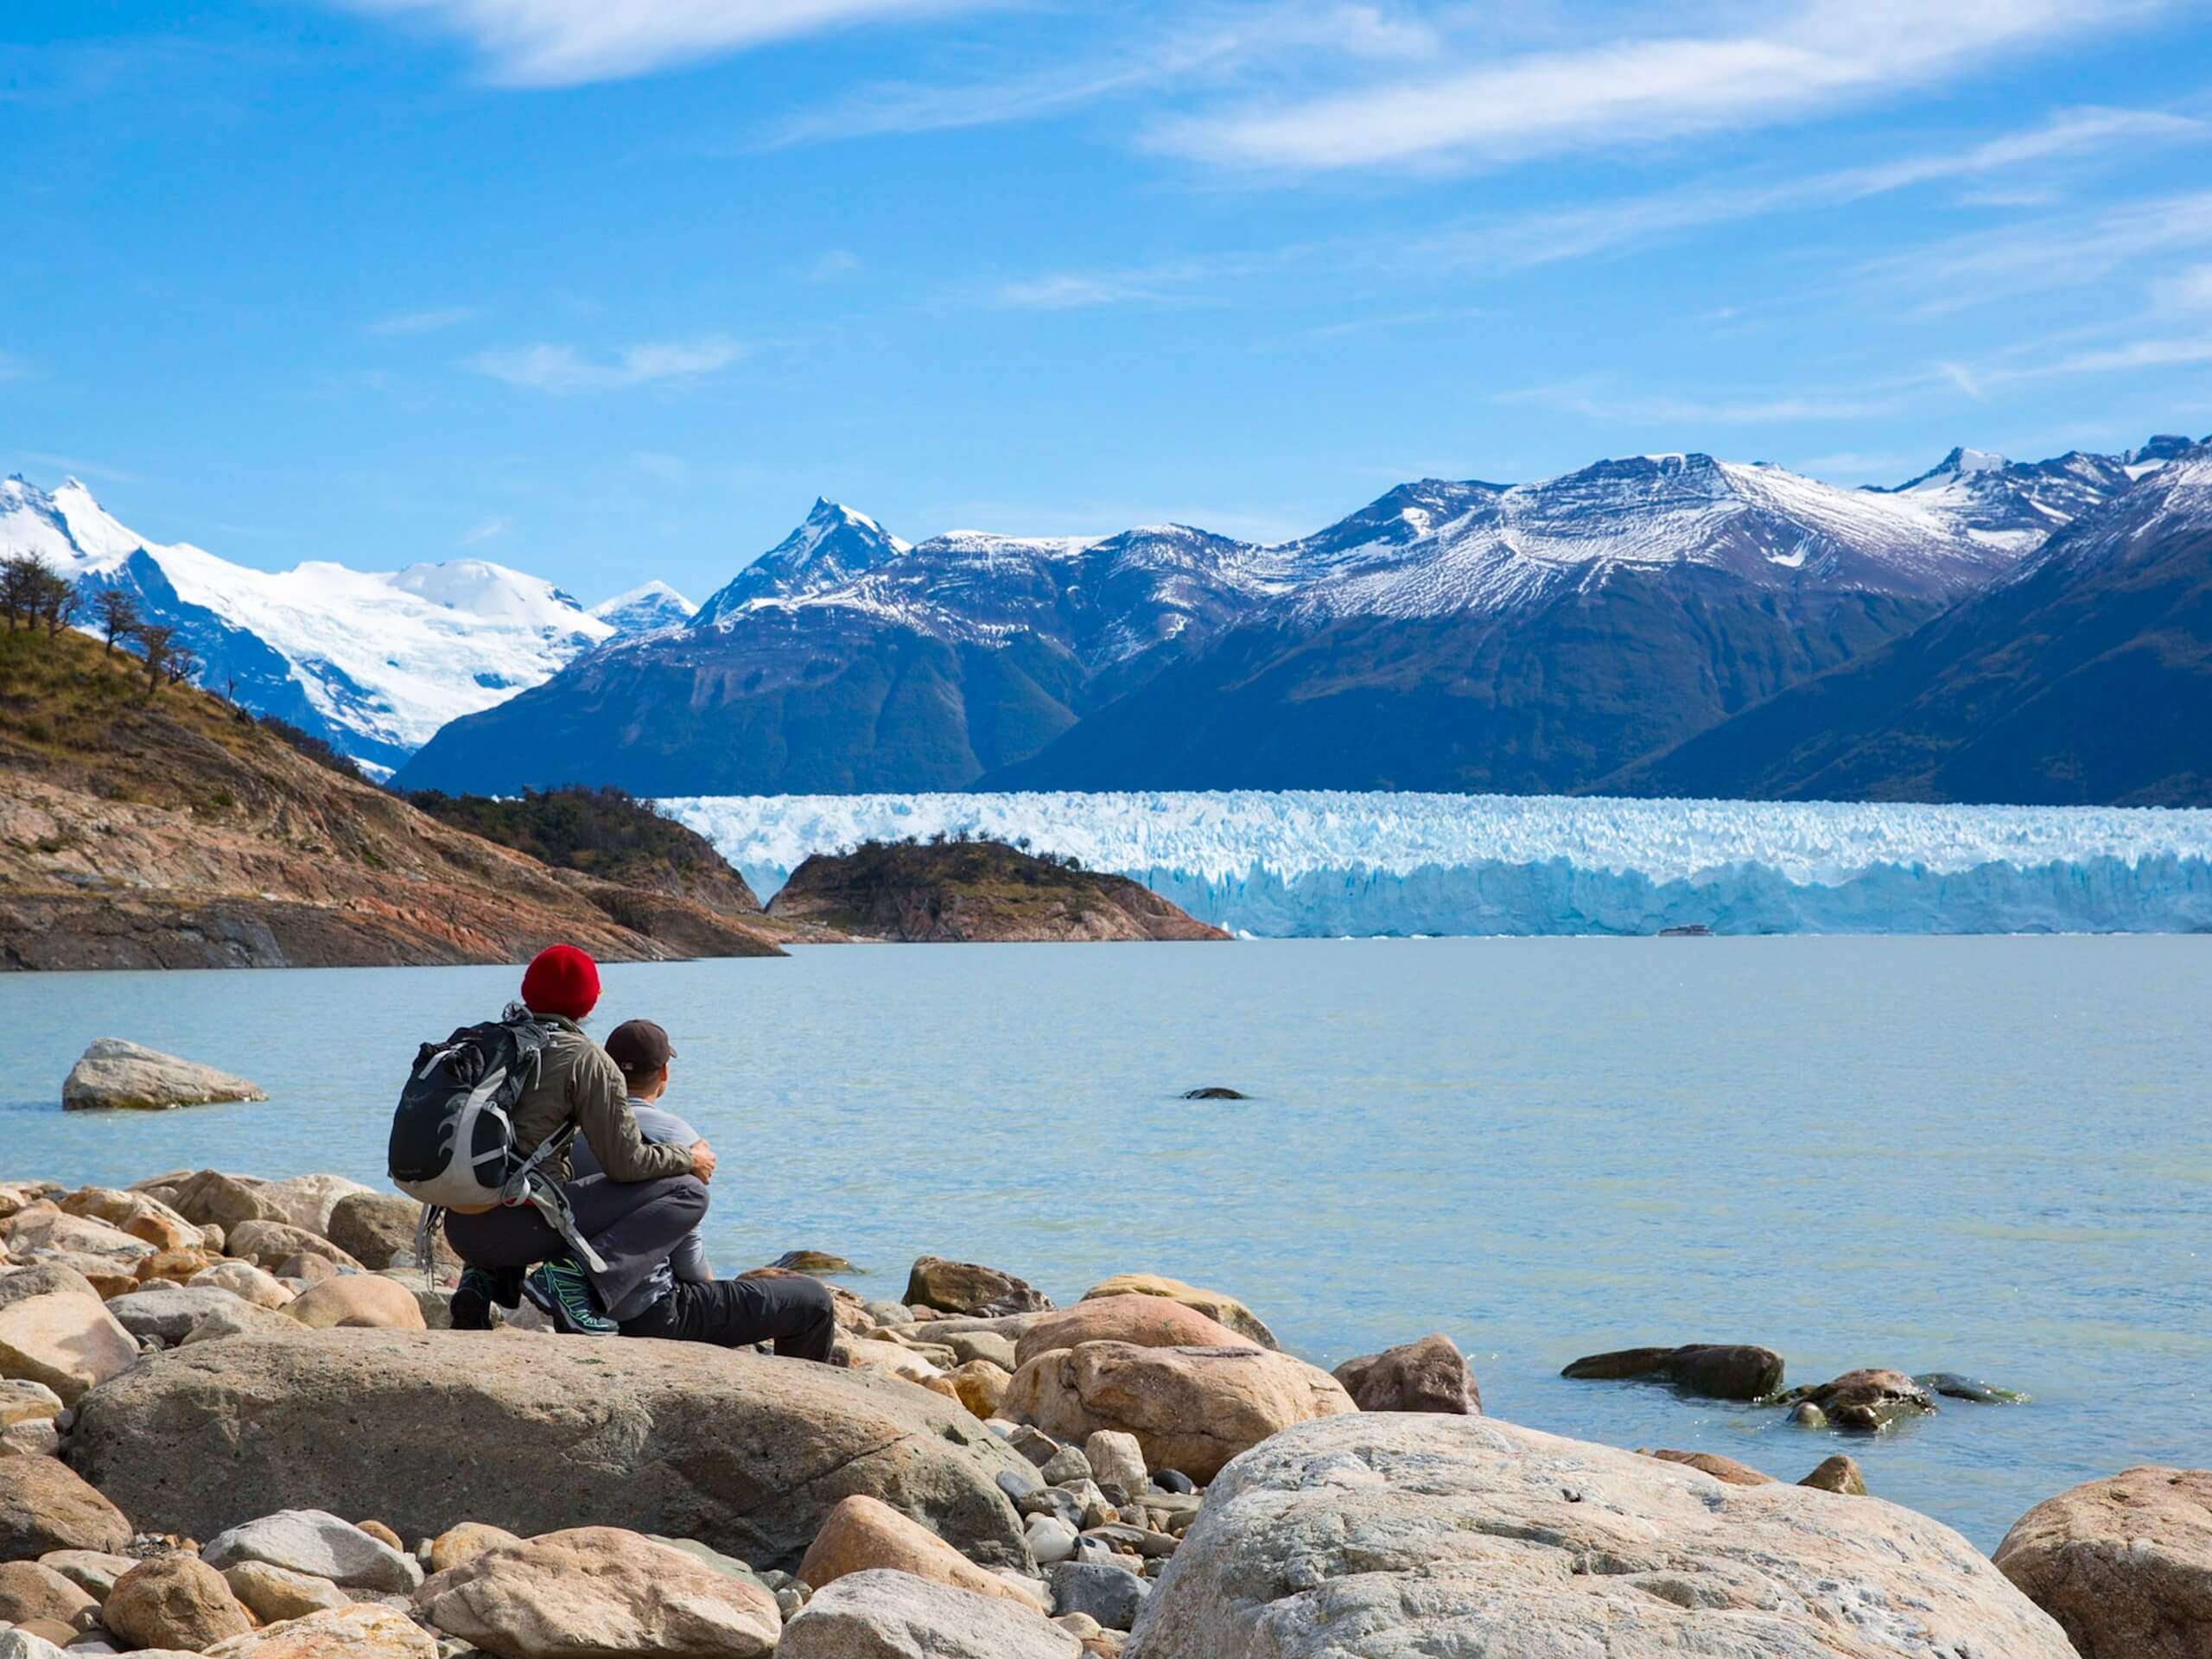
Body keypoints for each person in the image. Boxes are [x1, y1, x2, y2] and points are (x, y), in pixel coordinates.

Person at [445, 944, 717, 1336]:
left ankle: (480, 1282)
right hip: (516, 1233)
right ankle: (574, 1281)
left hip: (462, 1229)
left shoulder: (489, 1043)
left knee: (517, 1163)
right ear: (589, 1003)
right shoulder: (586, 1060)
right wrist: (687, 1158)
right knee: (689, 1191)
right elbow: (627, 1165)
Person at [582, 1017, 836, 1361]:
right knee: (813, 1301)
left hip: (583, 1302)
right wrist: (711, 1290)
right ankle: (804, 1398)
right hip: (653, 1314)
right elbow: (689, 1260)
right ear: (664, 1074)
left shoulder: (576, 1130)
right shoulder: (678, 1137)